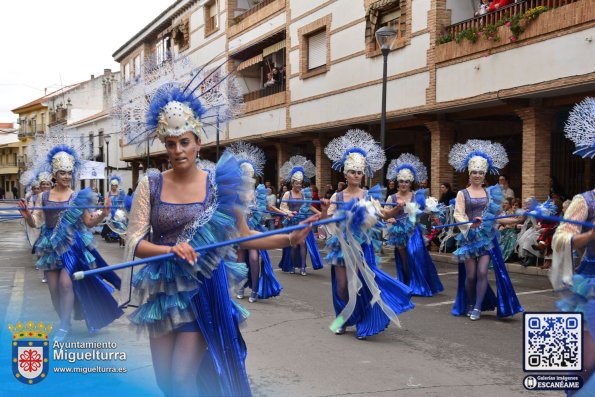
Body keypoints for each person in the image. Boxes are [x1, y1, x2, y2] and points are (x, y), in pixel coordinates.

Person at [121, 76, 314, 396]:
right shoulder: (150, 184)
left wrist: (289, 239)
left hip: (203, 287)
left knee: (182, 379)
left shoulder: (219, 184)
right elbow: (135, 241)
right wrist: (168, 251)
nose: (178, 150)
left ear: (198, 140)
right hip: (162, 288)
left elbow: (242, 236)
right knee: (165, 382)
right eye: (171, 143)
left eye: (184, 142)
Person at [18, 145, 123, 342]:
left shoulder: (77, 197)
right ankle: (64, 319)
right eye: (62, 173)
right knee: (54, 290)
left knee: (66, 285)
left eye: (69, 173)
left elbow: (89, 221)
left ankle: (64, 326)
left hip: (71, 246)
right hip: (50, 247)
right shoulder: (44, 196)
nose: (66, 176)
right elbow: (37, 221)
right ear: (54, 174)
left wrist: (104, 213)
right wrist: (27, 217)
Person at [321, 129, 415, 340]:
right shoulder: (337, 196)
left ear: (363, 174)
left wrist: (398, 209)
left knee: (360, 285)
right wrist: (326, 208)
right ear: (345, 173)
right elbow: (325, 221)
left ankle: (361, 320)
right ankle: (342, 320)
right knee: (342, 287)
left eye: (359, 172)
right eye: (352, 171)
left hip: (361, 247)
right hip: (342, 245)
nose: (356, 175)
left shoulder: (368, 195)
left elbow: (383, 214)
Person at [449, 139, 523, 321]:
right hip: (468, 239)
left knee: (483, 272)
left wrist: (517, 218)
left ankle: (478, 307)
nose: (477, 175)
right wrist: (469, 224)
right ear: (469, 173)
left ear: (484, 175)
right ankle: (470, 302)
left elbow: (497, 216)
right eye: (474, 172)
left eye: (481, 172)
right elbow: (458, 214)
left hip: (487, 238)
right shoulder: (462, 193)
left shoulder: (491, 193)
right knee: (471, 275)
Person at [551, 97, 595, 394]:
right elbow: (560, 238)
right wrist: (591, 236)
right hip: (590, 284)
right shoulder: (585, 201)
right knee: (585, 362)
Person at [226, 141, 282, 303]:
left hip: (254, 229)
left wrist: (284, 212)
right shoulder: (235, 192)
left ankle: (255, 290)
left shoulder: (259, 191)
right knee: (240, 259)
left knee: (253, 258)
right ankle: (242, 287)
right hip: (240, 230)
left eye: (249, 174)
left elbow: (268, 206)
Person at [384, 153, 444, 296]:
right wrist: (390, 219)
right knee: (404, 258)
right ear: (397, 182)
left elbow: (425, 212)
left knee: (415, 254)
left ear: (411, 183)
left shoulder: (417, 196)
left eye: (406, 181)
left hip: (413, 230)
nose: (404, 184)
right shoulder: (391, 197)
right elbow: (385, 213)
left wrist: (431, 213)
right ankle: (408, 283)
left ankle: (420, 283)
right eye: (401, 181)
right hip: (399, 231)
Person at [278, 155, 323, 276]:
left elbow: (308, 206)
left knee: (303, 243)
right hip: (292, 222)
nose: (298, 185)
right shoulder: (287, 194)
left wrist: (320, 213)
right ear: (292, 183)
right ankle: (292, 265)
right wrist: (288, 213)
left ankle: (303, 266)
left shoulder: (304, 194)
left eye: (300, 183)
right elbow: (282, 207)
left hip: (303, 222)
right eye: (296, 183)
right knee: (293, 245)